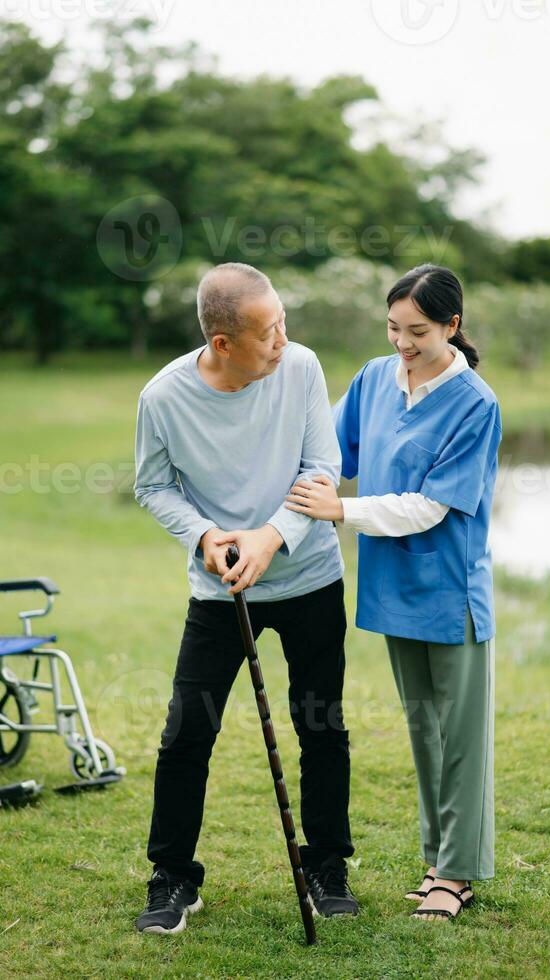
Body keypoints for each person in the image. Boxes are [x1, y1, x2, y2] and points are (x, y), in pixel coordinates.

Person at [133, 262, 358, 935]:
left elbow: (322, 467)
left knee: (320, 726)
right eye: (267, 335)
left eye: (283, 324)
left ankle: (326, 867)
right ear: (222, 342)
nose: (282, 342)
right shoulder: (163, 397)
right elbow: (153, 486)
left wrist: (270, 538)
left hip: (309, 575)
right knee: (185, 733)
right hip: (220, 588)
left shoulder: (302, 368)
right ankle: (173, 877)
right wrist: (203, 533)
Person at [284, 264, 501, 923]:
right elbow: (328, 450)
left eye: (418, 331)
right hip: (392, 587)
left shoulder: (475, 404)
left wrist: (339, 512)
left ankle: (456, 876)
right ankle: (438, 862)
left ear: (452, 327)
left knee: (459, 737)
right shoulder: (375, 379)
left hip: (448, 592)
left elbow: (431, 508)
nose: (402, 343)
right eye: (393, 328)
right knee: (423, 732)